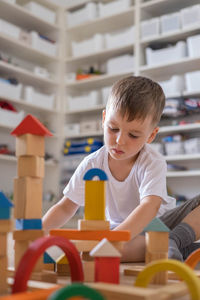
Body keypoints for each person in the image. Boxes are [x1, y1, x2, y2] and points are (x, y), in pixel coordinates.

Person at [43, 76, 200, 262]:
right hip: (120, 233)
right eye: (113, 128)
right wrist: (36, 233)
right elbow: (65, 206)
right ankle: (173, 249)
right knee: (95, 253)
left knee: (114, 249)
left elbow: (150, 206)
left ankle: (173, 241)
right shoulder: (92, 163)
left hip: (160, 226)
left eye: (133, 135)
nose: (120, 141)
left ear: (151, 136)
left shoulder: (152, 162)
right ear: (103, 119)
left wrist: (113, 240)